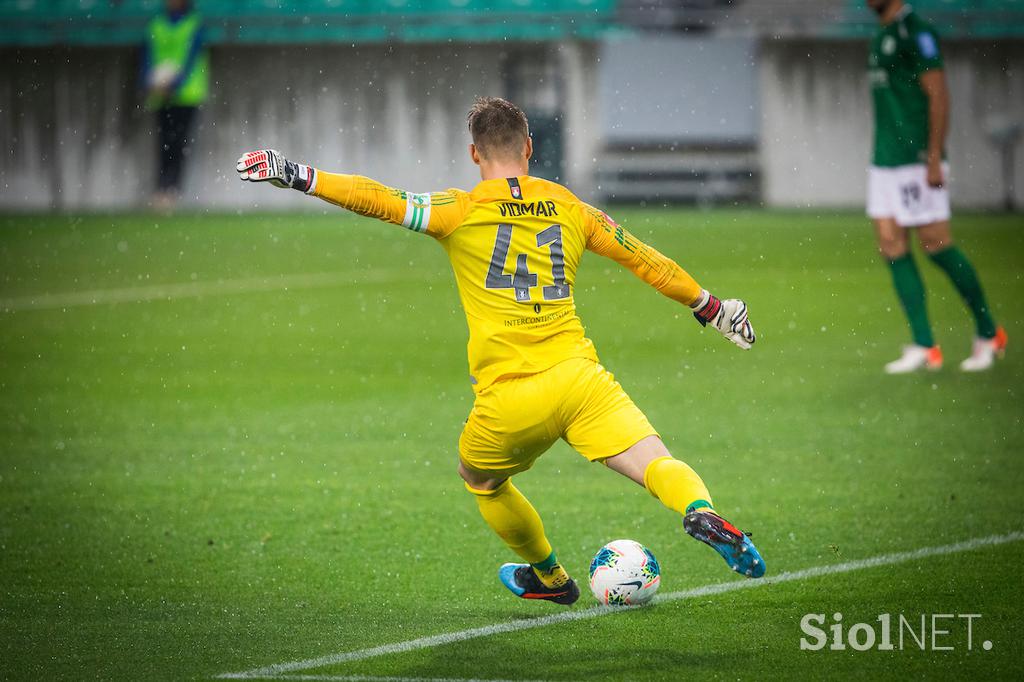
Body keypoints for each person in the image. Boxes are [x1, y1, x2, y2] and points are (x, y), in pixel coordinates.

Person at [236, 97, 765, 605]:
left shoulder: (458, 209)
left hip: (511, 397)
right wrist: (710, 306)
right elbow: (646, 260)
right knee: (655, 463)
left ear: (474, 153)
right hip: (580, 378)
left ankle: (551, 577)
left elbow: (378, 198)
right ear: (529, 147)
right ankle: (700, 509)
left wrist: (296, 173)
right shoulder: (571, 208)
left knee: (482, 480)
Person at [866, 0, 1007, 373]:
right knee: (891, 244)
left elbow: (939, 94)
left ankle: (988, 332)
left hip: (915, 158)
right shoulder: (881, 34)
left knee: (936, 243)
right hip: (884, 160)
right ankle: (925, 344)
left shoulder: (918, 33)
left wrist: (932, 156)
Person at [142, 0, 208, 210]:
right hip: (161, 94)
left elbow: (191, 59)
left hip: (187, 94)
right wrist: (149, 81)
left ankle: (172, 190)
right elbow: (147, 56)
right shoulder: (156, 23)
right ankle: (162, 189)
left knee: (179, 142)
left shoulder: (194, 23)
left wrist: (175, 83)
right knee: (164, 141)